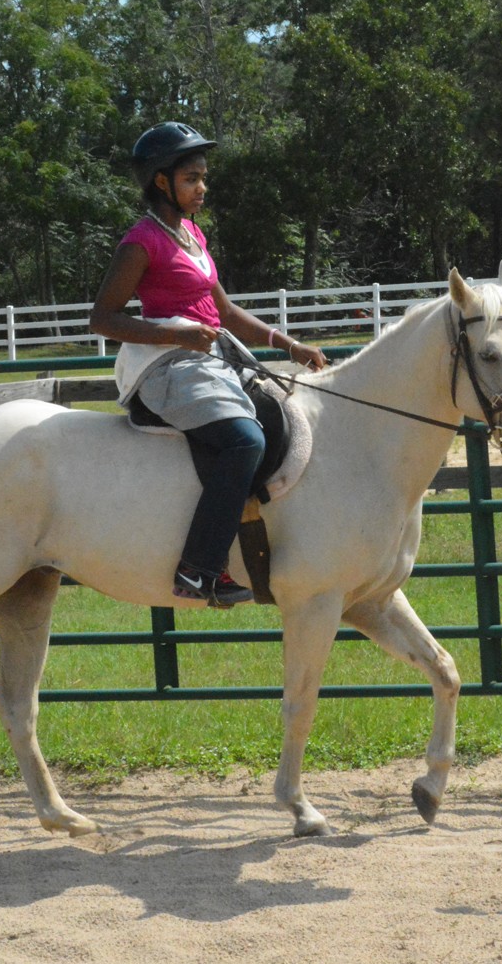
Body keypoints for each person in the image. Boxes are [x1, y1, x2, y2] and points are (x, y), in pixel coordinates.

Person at [90, 121, 327, 608]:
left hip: (208, 359)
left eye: (203, 177)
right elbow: (103, 317)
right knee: (245, 439)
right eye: (192, 178)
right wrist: (176, 333)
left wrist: (287, 344)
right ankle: (198, 570)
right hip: (166, 367)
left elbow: (225, 313)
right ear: (162, 182)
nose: (203, 187)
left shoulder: (192, 235)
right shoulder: (142, 241)